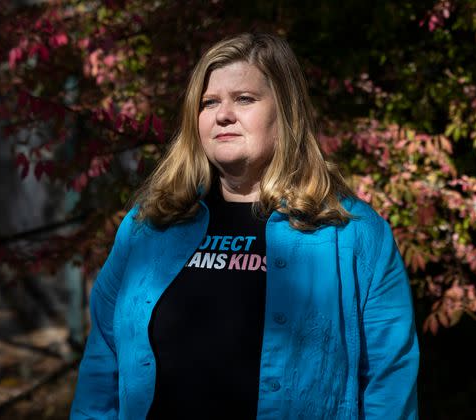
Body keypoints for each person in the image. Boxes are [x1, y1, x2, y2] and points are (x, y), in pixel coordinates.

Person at [70, 33, 419, 419]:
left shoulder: (352, 233)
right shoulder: (148, 228)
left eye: (244, 99)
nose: (223, 115)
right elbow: (102, 365)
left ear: (285, 112)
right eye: (209, 102)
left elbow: (390, 382)